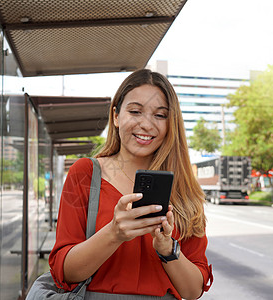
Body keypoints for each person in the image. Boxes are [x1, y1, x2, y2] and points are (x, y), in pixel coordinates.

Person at [49, 69, 213, 299]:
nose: (146, 124)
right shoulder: (85, 173)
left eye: (160, 115)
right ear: (116, 116)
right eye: (135, 111)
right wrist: (114, 233)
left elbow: (193, 290)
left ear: (171, 123)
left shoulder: (184, 187)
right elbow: (65, 271)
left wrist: (168, 249)